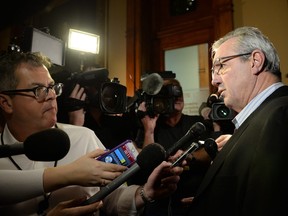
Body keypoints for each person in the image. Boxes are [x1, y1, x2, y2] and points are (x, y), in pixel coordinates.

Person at [0, 51, 183, 216]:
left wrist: (145, 193)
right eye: (38, 90)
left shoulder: (83, 137)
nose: (51, 96)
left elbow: (112, 198)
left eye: (52, 87)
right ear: (6, 103)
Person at [187, 26, 288, 215]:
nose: (214, 80)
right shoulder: (261, 117)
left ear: (255, 61)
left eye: (221, 65)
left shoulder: (280, 116)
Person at [134, 78, 217, 216]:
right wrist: (149, 130)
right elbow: (147, 166)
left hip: (196, 202)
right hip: (162, 206)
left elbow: (211, 152)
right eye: (171, 92)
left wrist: (189, 156)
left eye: (179, 92)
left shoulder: (197, 123)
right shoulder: (151, 129)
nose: (178, 96)